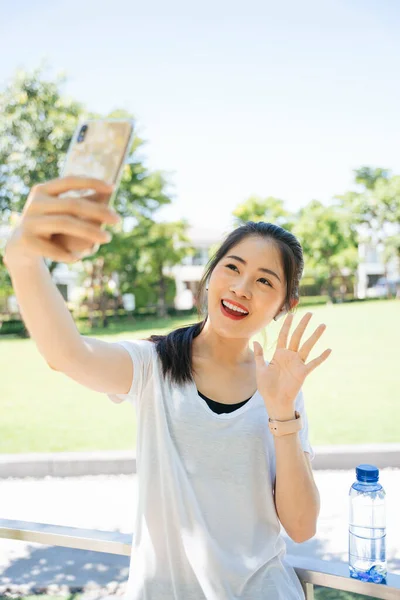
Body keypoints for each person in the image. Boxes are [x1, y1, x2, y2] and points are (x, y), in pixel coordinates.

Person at [4, 176, 331, 600]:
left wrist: (282, 411)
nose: (241, 287)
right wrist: (23, 260)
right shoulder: (153, 364)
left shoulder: (279, 388)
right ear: (210, 275)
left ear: (285, 305)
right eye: (232, 267)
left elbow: (302, 527)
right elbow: (67, 355)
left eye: (265, 281)